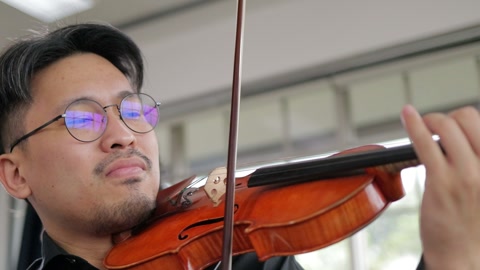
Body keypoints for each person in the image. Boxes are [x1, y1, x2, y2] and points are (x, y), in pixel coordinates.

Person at [0, 22, 478, 270]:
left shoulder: (241, 257)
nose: (124, 134)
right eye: (82, 117)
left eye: (132, 110)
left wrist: (451, 258)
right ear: (16, 174)